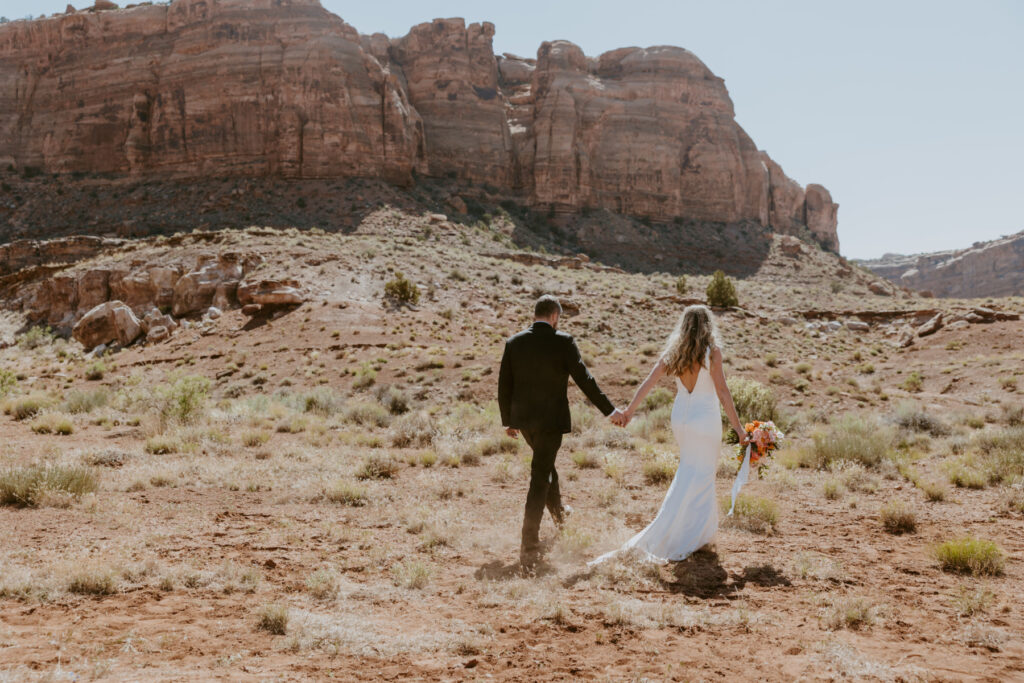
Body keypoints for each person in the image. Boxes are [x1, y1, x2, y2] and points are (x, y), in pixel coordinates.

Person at [594, 304, 748, 565]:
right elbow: (722, 392)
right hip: (705, 419)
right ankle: (691, 536)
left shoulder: (674, 353)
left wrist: (630, 411)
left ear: (684, 325)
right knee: (702, 476)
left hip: (681, 419)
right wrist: (740, 429)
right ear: (707, 325)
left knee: (688, 471)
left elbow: (649, 382)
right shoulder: (713, 353)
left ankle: (690, 532)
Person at [499, 295, 624, 571]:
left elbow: (504, 384)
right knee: (540, 476)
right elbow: (585, 380)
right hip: (550, 422)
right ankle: (529, 543)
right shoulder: (563, 342)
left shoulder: (514, 343)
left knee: (546, 469)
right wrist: (610, 411)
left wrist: (508, 420)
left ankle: (559, 519)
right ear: (555, 316)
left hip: (525, 424)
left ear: (536, 315)